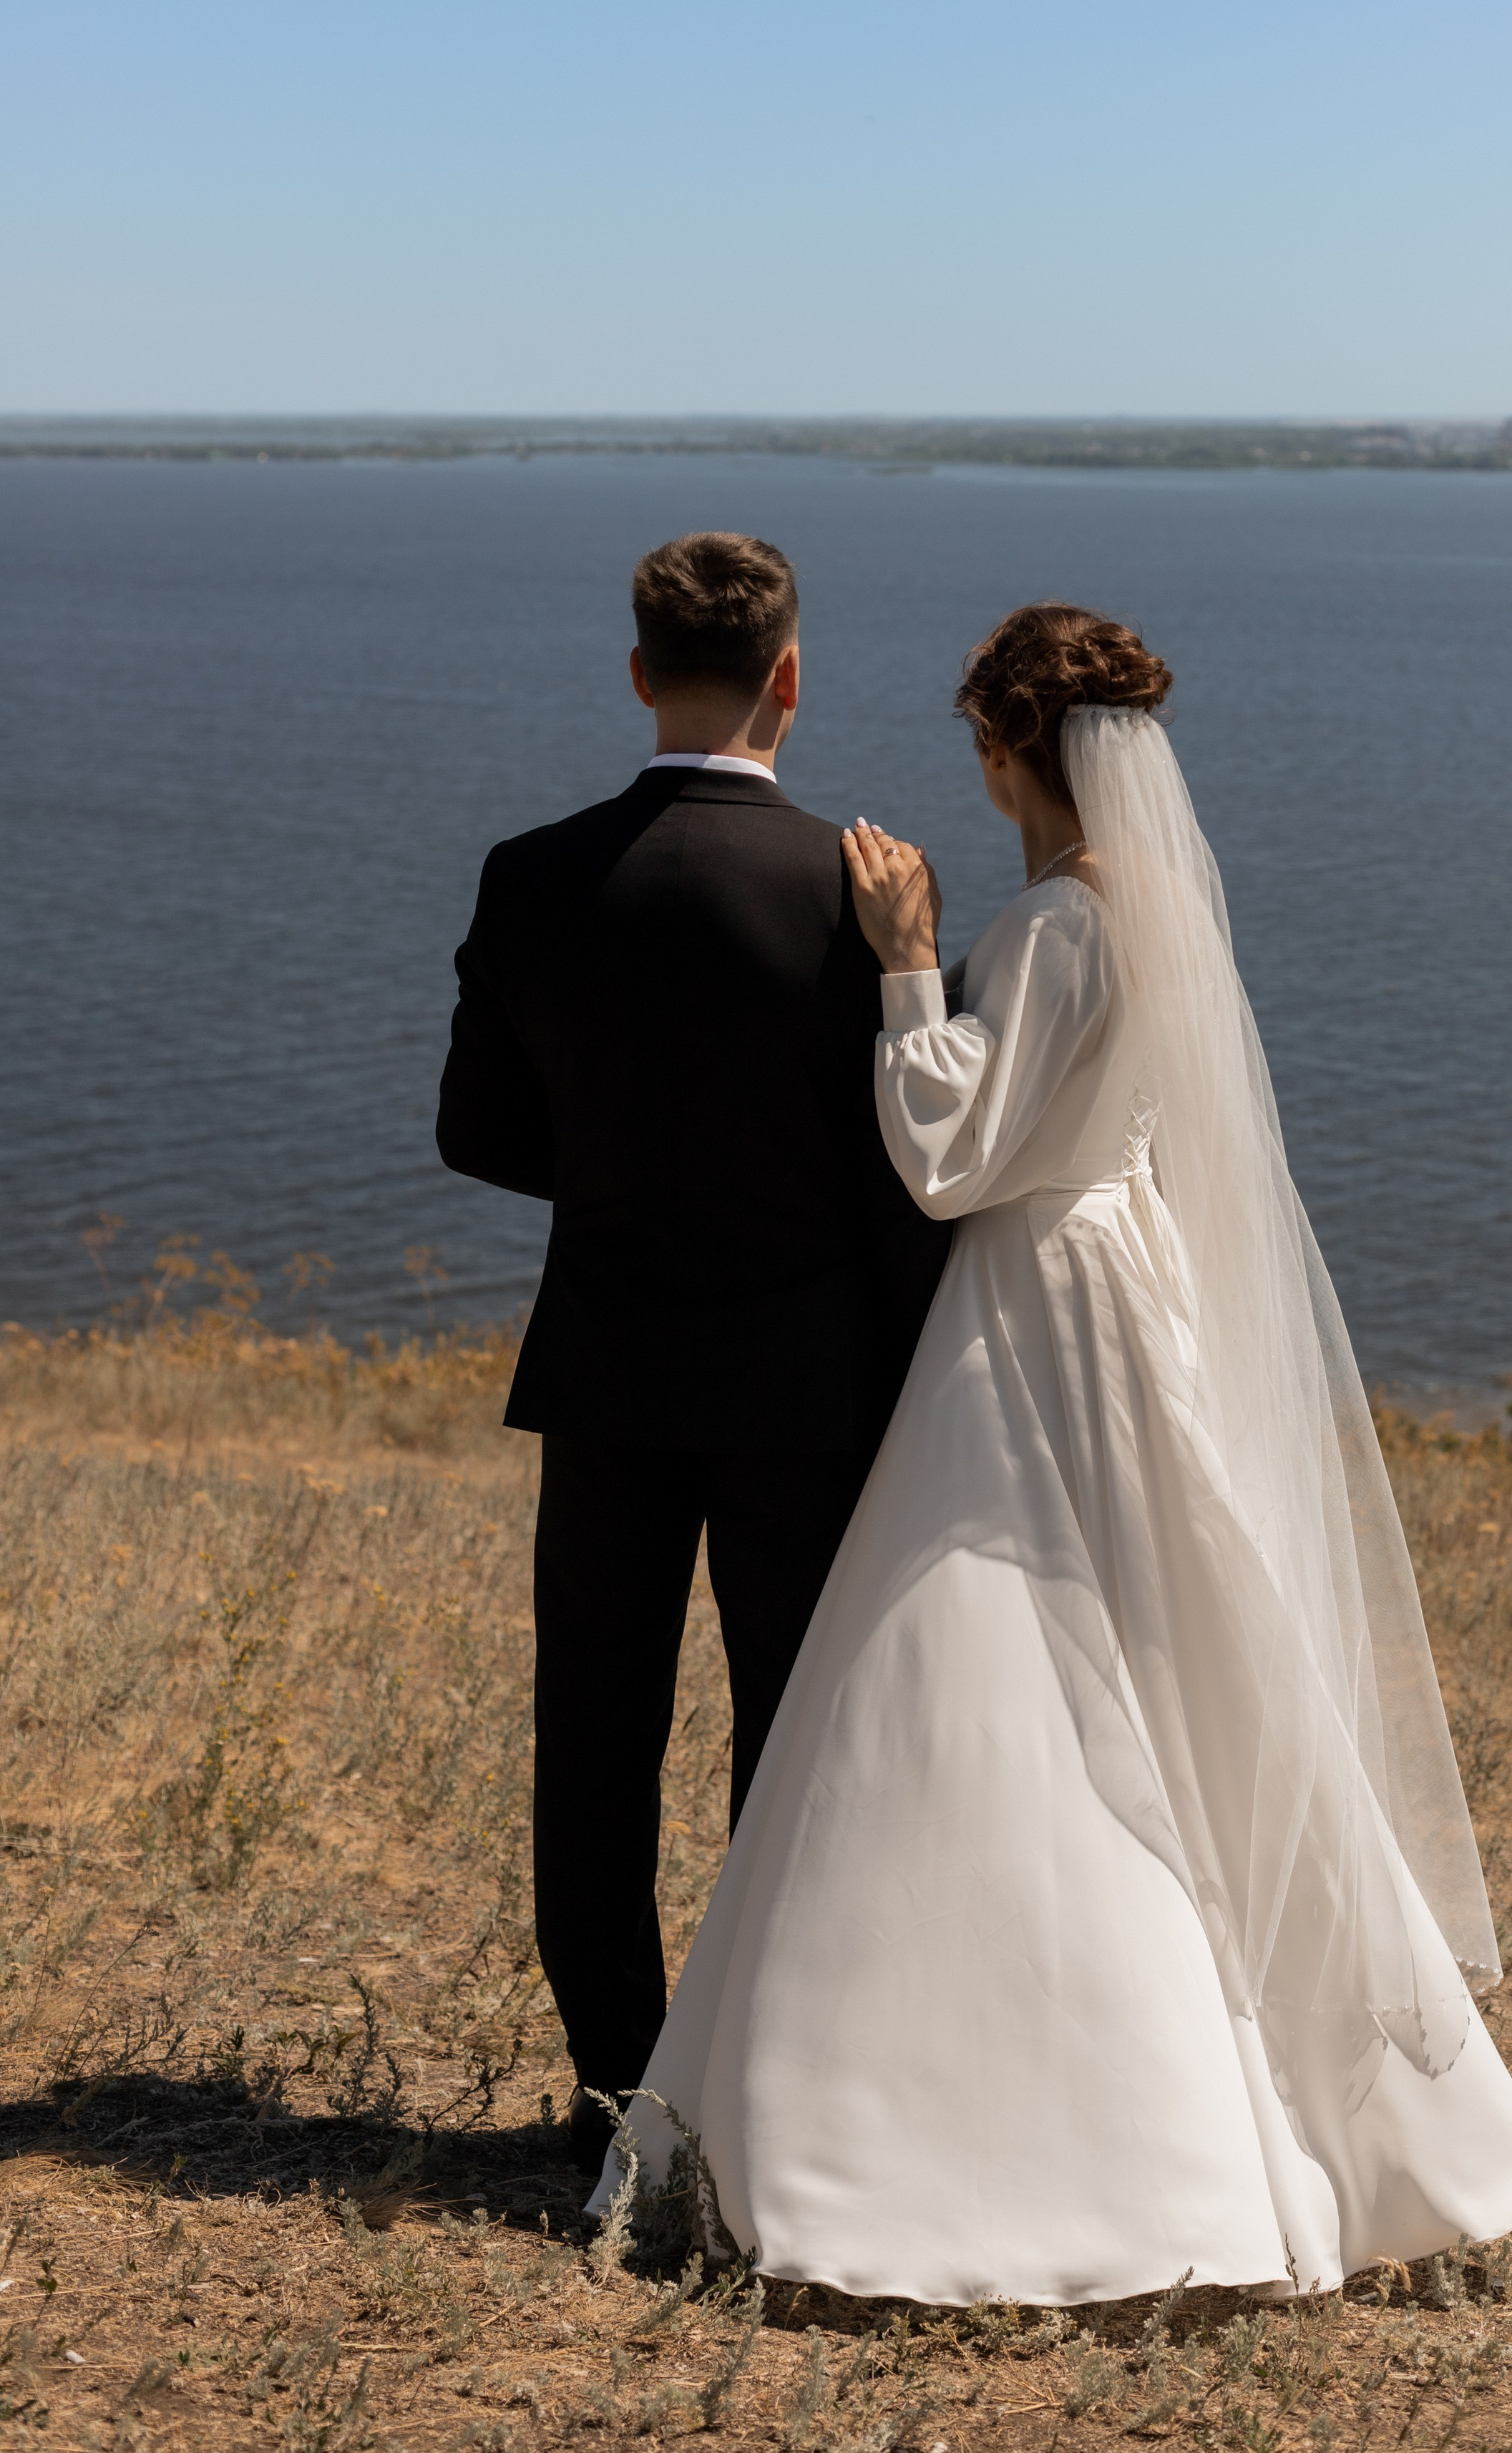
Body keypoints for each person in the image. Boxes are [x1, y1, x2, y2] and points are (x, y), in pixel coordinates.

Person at [592, 601, 1512, 2302]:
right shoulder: (1161, 917)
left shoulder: (1051, 922)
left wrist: (908, 960)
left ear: (999, 755)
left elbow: (952, 1159)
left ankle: (982, 2134)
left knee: (971, 1656)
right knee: (1183, 1657)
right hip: (1132, 1288)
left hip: (1030, 1304)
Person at [436, 530, 951, 2175]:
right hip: (807, 1383)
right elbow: (909, 1160)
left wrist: (621, 1172)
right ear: (789, 678)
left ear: (641, 671)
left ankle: (612, 2095)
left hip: (604, 1366)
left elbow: (475, 1130)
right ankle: (761, 2094)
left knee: (592, 1731)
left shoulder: (532, 872)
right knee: (788, 1740)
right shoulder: (860, 888)